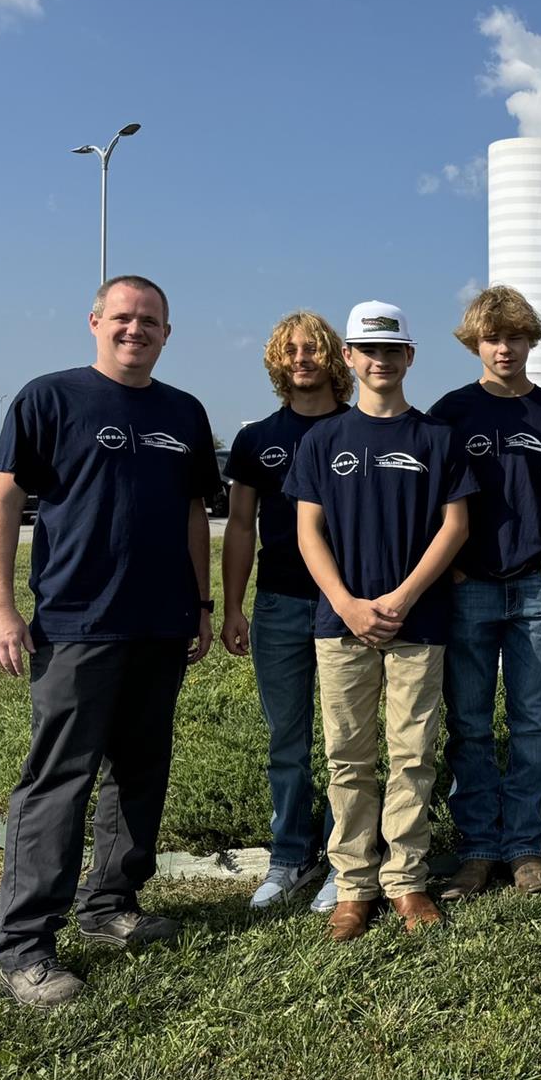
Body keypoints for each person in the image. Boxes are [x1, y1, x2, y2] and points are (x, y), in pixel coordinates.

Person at [0, 274, 221, 1009]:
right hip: (76, 625)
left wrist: (202, 603)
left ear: (167, 333)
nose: (135, 329)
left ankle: (110, 904)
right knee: (59, 779)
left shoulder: (185, 412)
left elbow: (191, 516)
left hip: (161, 624)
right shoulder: (50, 398)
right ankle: (25, 946)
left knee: (141, 772)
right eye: (123, 317)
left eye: (150, 320)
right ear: (94, 321)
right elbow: (4, 499)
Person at [287, 300, 475, 941]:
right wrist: (345, 602)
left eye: (391, 350)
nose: (380, 360)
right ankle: (353, 884)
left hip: (417, 622)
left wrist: (402, 596)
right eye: (368, 350)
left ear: (408, 358)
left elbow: (456, 525)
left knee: (413, 754)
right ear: (349, 357)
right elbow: (308, 530)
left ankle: (406, 880)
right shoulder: (322, 441)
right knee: (347, 757)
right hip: (340, 624)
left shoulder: (435, 438)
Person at [428, 286, 541, 901]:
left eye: (515, 336)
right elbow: (429, 501)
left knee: (531, 723)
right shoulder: (450, 413)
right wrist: (453, 568)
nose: (504, 347)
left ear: (530, 340)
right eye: (492, 338)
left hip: (535, 589)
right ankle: (476, 850)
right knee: (468, 724)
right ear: (475, 343)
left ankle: (524, 846)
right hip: (468, 591)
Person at [221, 311, 354, 913]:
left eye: (314, 349)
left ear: (335, 358)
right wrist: (231, 607)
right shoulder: (256, 439)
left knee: (346, 740)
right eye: (291, 351)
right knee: (288, 740)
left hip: (345, 605)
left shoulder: (363, 429)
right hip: (278, 603)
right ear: (278, 360)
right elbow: (239, 527)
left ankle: (343, 859)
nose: (302, 359)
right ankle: (289, 857)